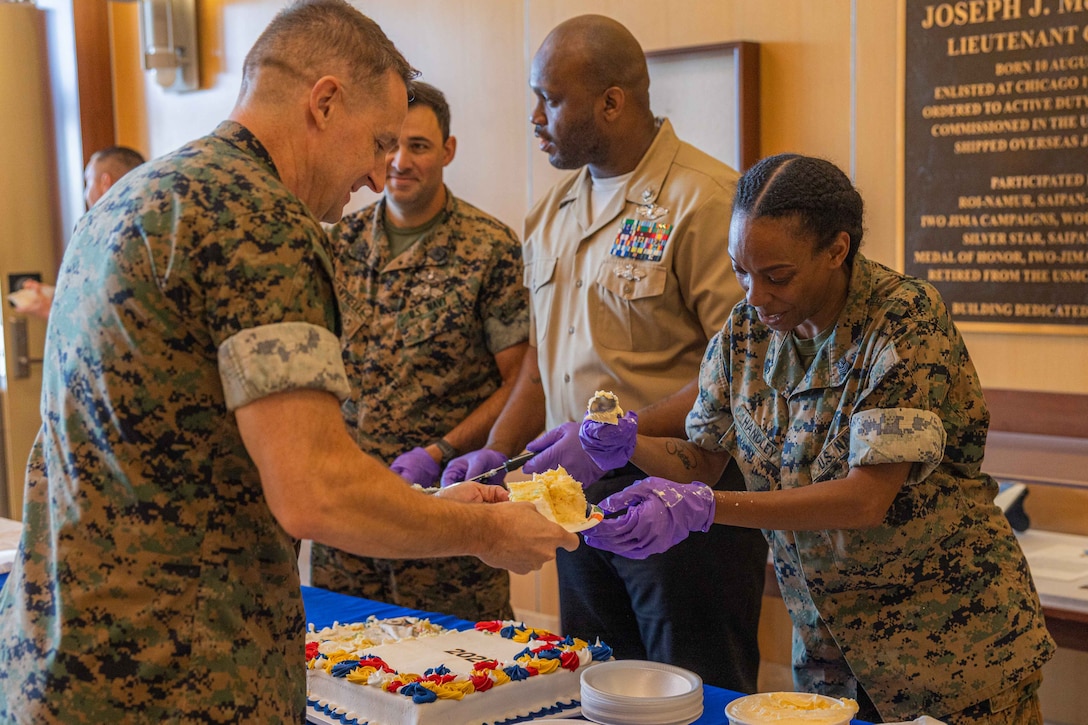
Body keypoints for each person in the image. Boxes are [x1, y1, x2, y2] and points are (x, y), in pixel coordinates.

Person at [0, 2, 577, 722]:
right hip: (174, 677)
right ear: (324, 102)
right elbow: (315, 490)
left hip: (65, 660)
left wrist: (429, 505)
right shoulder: (260, 218)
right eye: (376, 141)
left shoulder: (137, 196)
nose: (377, 173)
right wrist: (488, 532)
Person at [577, 153, 1057, 724]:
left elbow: (863, 499)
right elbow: (702, 458)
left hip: (948, 651)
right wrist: (630, 446)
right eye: (741, 271)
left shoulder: (903, 320)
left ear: (837, 250)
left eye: (777, 276)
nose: (755, 295)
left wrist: (704, 509)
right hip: (831, 654)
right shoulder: (746, 333)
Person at [442, 14, 767, 693]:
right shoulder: (554, 210)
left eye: (550, 99)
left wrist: (622, 438)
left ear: (611, 102)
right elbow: (542, 363)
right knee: (595, 688)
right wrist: (503, 455)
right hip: (574, 494)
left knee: (695, 691)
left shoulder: (705, 202)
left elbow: (741, 377)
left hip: (680, 495)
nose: (534, 117)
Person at [310, 81, 528, 621]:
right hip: (349, 511)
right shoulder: (339, 240)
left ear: (448, 151)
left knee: (460, 676)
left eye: (420, 147)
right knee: (343, 669)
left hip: (445, 519)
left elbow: (520, 381)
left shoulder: (489, 248)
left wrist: (439, 451)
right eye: (390, 146)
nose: (400, 162)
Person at [14, 145, 148, 320]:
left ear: (104, 183)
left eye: (88, 183)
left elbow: (108, 318)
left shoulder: (99, 232)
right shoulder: (155, 224)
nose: (86, 194)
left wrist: (49, 310)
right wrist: (52, 295)